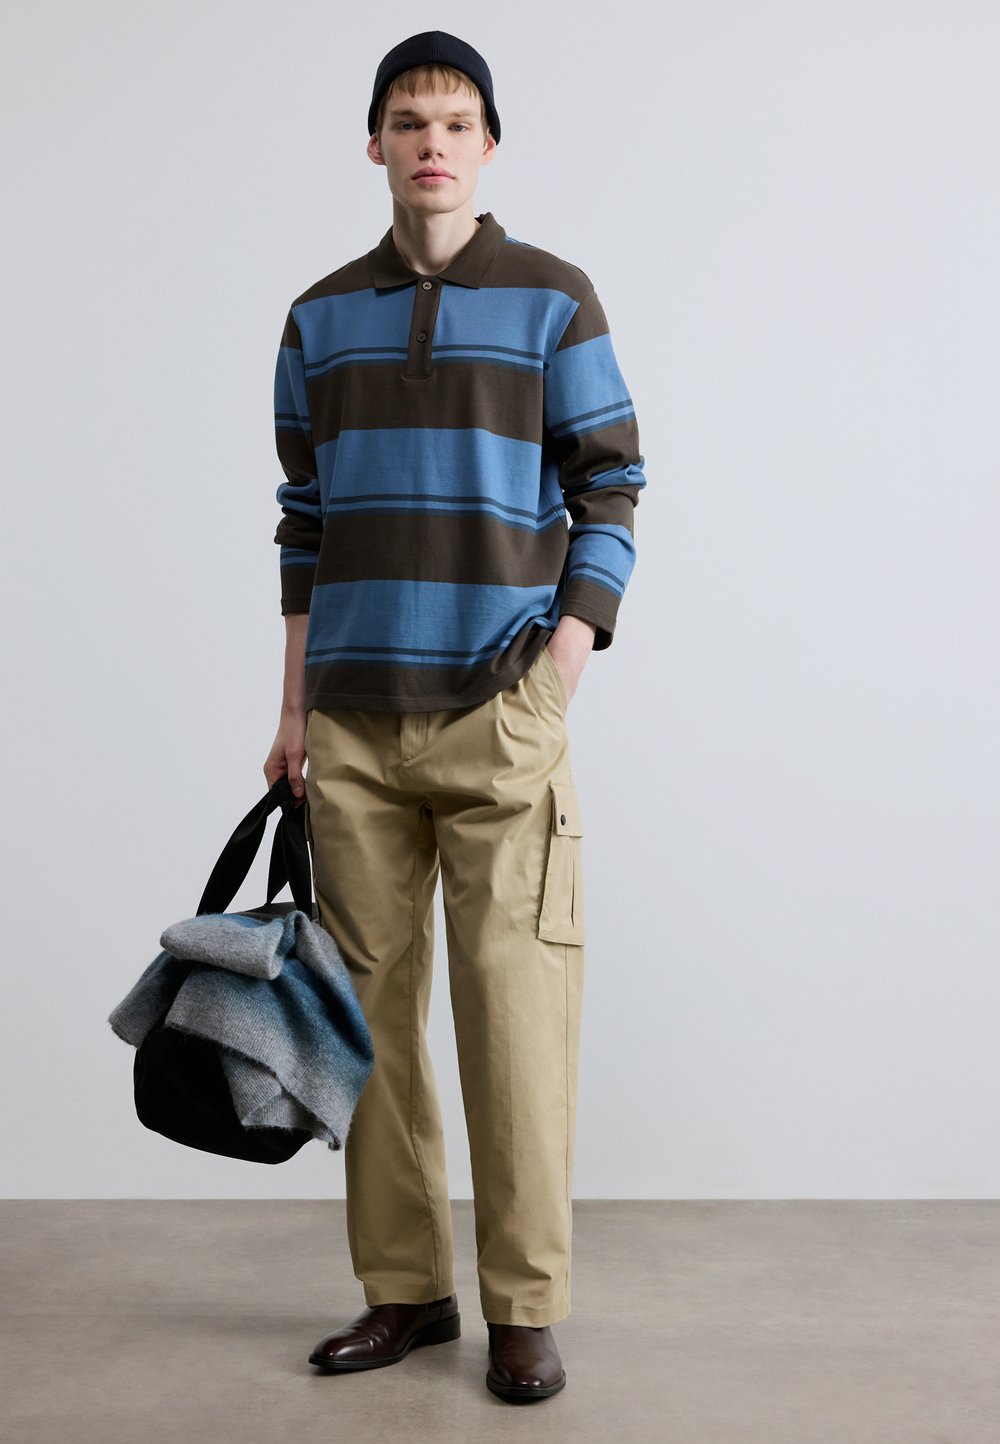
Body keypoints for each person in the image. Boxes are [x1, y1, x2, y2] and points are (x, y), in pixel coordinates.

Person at [262, 30, 646, 1404]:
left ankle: (523, 1307)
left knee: (515, 1020)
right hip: (354, 723)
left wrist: (562, 666)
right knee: (365, 1024)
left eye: (458, 122)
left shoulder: (554, 298)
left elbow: (613, 487)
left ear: (488, 148)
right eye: (410, 120)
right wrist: (294, 709)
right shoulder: (317, 318)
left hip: (499, 713)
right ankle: (405, 1291)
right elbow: (304, 522)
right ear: (374, 143)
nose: (433, 142)